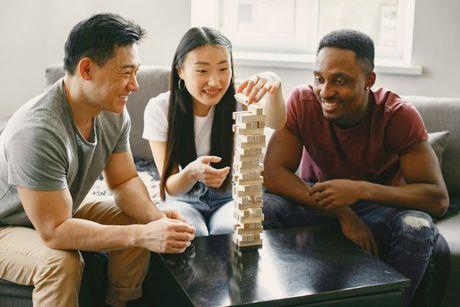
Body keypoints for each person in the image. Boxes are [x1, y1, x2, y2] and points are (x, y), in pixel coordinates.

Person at [0, 13, 195, 307]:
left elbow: (124, 180)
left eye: (136, 72)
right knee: (61, 262)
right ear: (87, 69)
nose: (135, 85)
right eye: (126, 72)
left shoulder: (113, 112)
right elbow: (54, 231)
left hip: (58, 211)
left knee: (136, 216)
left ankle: (120, 303)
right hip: (7, 226)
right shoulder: (37, 131)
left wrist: (155, 221)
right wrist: (142, 235)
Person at [262, 29, 449, 306]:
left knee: (417, 227)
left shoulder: (398, 115)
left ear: (368, 80)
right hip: (316, 201)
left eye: (340, 81)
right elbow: (273, 173)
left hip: (378, 207)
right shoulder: (303, 102)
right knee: (262, 207)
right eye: (319, 79)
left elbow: (437, 198)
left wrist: (360, 190)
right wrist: (342, 212)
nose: (325, 91)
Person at [143, 27, 286, 237]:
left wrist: (275, 83)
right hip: (182, 198)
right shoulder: (160, 109)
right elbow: (171, 186)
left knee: (227, 232)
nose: (215, 82)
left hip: (230, 196)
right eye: (202, 70)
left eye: (223, 69)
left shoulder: (239, 98)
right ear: (180, 70)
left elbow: (277, 121)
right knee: (193, 234)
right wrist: (192, 172)